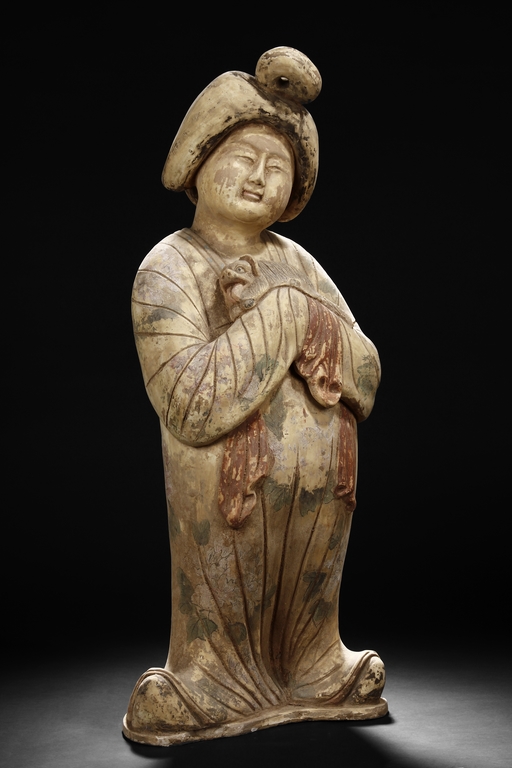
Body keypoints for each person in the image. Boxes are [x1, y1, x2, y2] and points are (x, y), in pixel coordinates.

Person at [123, 47, 387, 746]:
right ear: (199, 160)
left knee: (310, 596)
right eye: (243, 157)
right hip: (226, 490)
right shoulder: (170, 265)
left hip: (322, 490)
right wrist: (287, 320)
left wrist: (297, 314)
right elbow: (190, 402)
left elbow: (365, 375)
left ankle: (312, 665)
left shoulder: (299, 264)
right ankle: (208, 679)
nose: (260, 176)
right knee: (225, 585)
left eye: (279, 167)